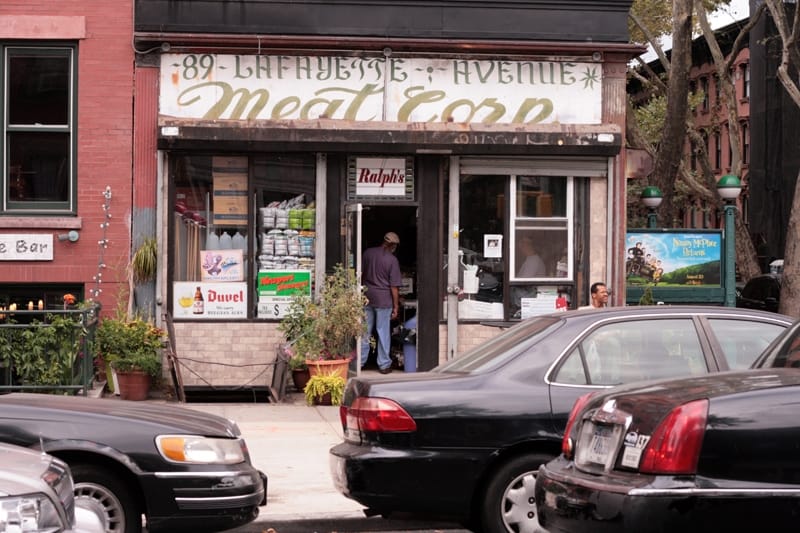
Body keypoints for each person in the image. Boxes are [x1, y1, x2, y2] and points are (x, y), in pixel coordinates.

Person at [361, 231, 403, 374]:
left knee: (364, 331)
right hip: (384, 300)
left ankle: (360, 362)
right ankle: (384, 364)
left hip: (367, 297)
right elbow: (394, 287)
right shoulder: (392, 260)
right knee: (383, 331)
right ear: (392, 245)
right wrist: (396, 306)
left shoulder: (368, 253)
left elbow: (360, 275)